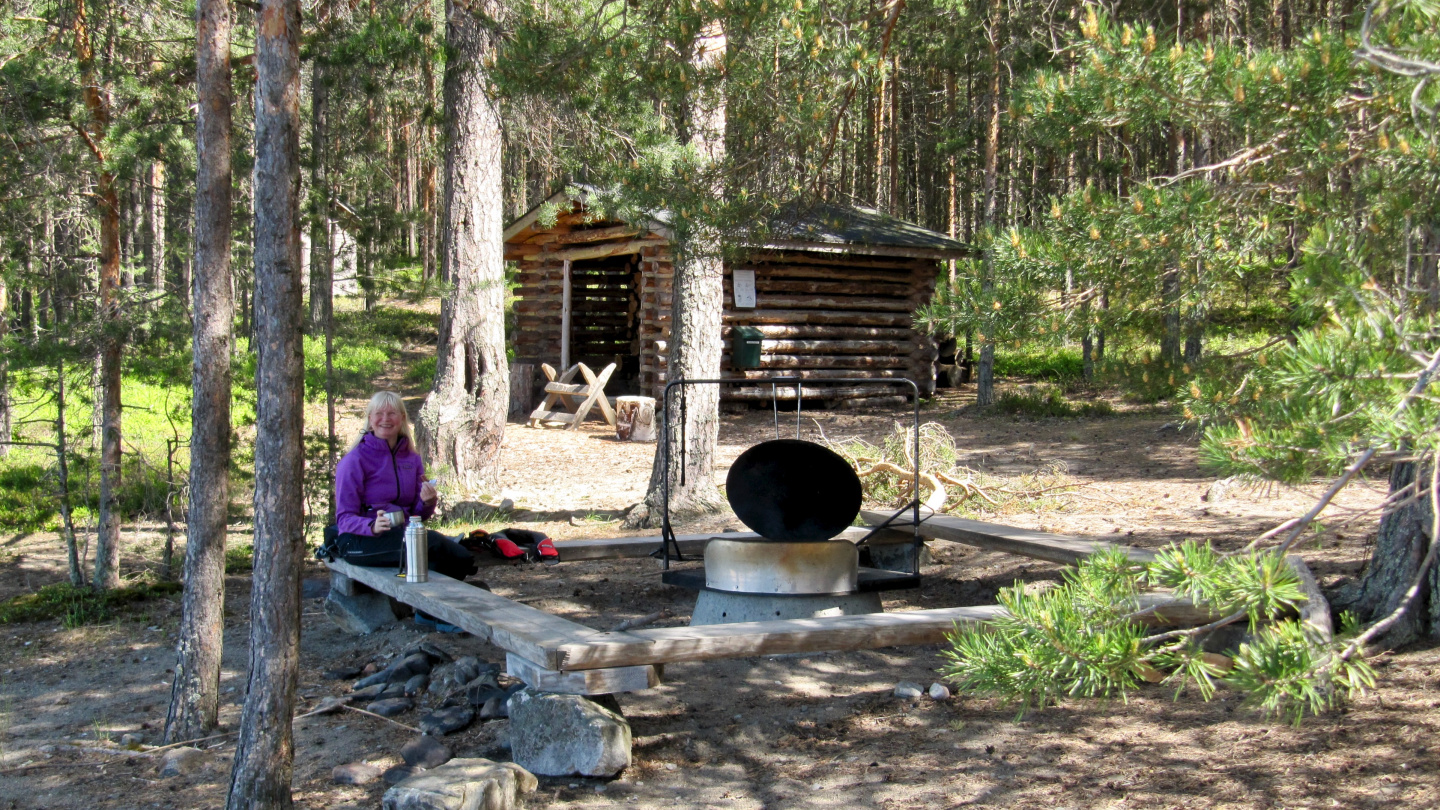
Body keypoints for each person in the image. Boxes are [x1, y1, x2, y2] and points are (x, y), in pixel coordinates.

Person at [333, 391, 478, 628]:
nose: (385, 419)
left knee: (455, 558)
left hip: (403, 534)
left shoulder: (411, 459)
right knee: (436, 548)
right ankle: (434, 614)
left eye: (391, 413)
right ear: (370, 419)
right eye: (379, 414)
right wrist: (370, 525)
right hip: (359, 541)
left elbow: (417, 514)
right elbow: (344, 519)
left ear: (401, 418)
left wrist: (428, 501)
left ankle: (429, 613)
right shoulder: (354, 460)